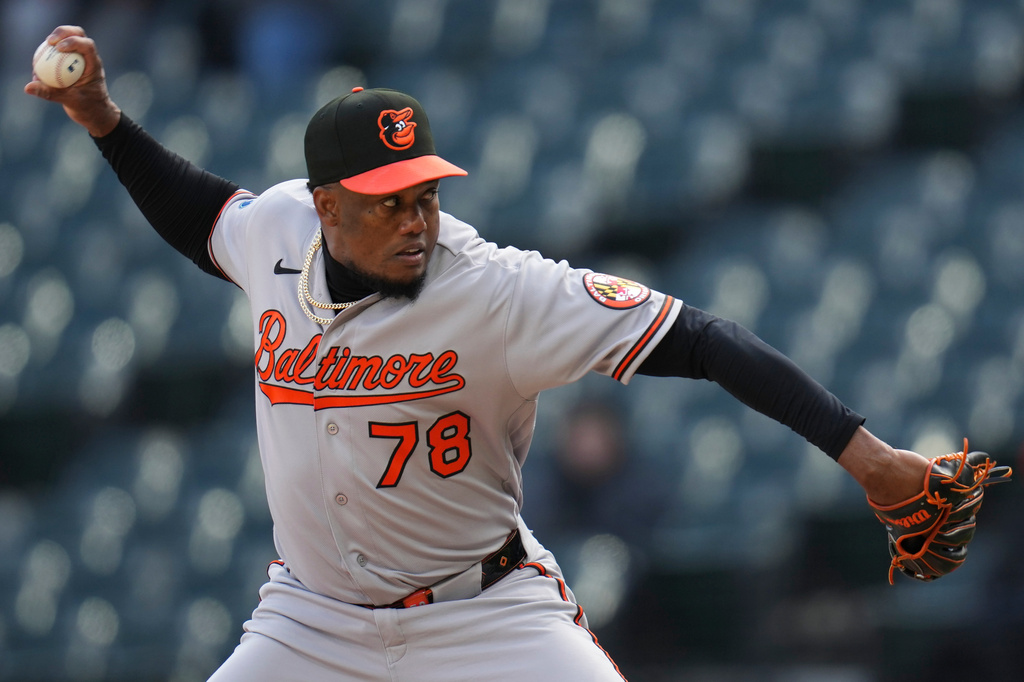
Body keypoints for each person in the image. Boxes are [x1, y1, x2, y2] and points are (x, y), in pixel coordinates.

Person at [27, 26, 934, 682]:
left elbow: (702, 339)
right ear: (326, 205)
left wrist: (864, 454)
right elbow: (198, 216)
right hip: (309, 623)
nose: (415, 219)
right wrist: (104, 119)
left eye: (423, 192)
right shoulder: (276, 230)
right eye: (387, 200)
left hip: (485, 617)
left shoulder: (497, 290)